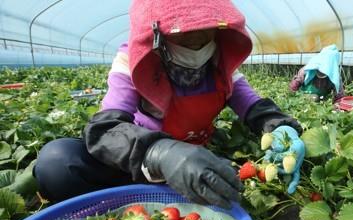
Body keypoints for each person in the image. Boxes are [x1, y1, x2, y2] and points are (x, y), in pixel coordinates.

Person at [34, 0, 305, 209]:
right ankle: (120, 209)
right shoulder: (133, 62)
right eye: (184, 38)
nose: (196, 46)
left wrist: (281, 128)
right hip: (138, 163)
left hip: (196, 165)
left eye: (204, 36)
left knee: (240, 187)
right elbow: (106, 129)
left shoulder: (220, 65)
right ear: (158, 37)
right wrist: (158, 153)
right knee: (57, 164)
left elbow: (255, 106)